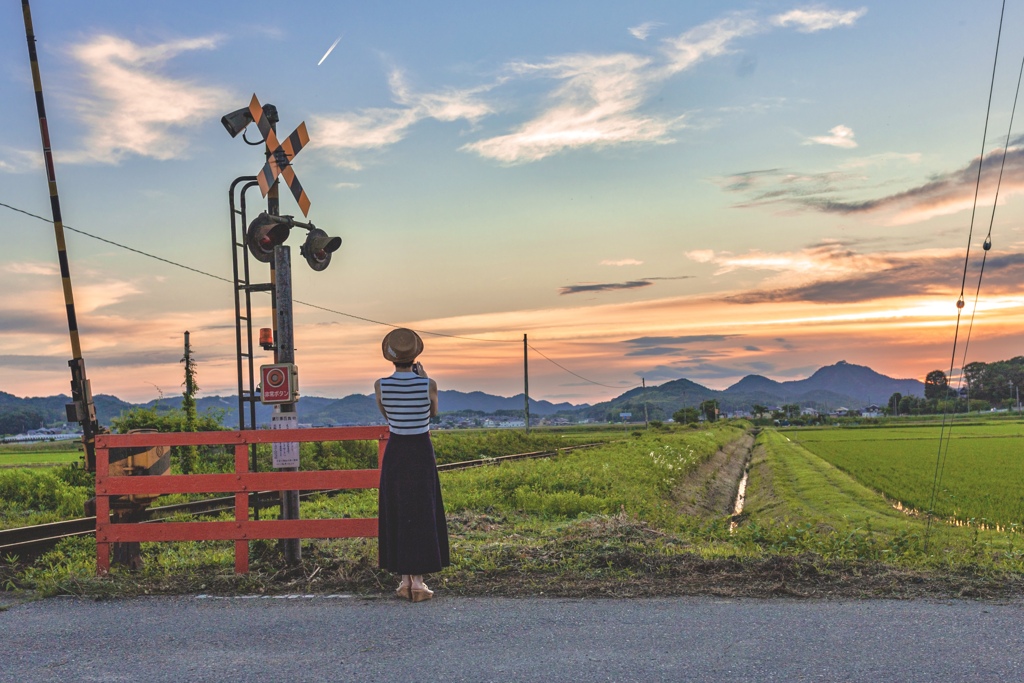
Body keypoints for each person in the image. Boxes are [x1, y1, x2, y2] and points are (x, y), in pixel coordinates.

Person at [374, 328, 450, 602]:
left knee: (398, 510)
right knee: (422, 511)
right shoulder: (428, 384)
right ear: (416, 356)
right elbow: (433, 413)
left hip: (396, 450)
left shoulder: (380, 385)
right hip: (420, 449)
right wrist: (423, 378)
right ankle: (419, 582)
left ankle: (404, 580)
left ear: (391, 357)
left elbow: (386, 413)